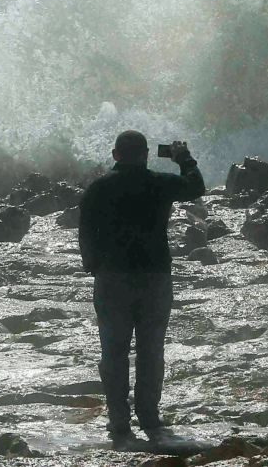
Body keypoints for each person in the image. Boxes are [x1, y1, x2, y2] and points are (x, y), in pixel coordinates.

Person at [78, 130, 205, 449]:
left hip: (113, 278)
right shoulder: (159, 183)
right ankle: (149, 416)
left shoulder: (99, 187)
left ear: (115, 154)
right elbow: (196, 187)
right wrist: (183, 158)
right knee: (151, 350)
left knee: (114, 350)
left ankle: (119, 420)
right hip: (154, 276)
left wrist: (92, 265)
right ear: (146, 155)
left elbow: (86, 233)